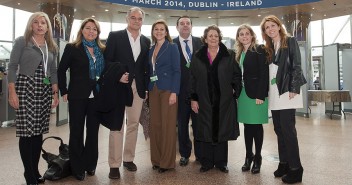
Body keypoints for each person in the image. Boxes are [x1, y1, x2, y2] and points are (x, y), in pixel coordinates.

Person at [7, 12, 59, 185]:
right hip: (25, 87)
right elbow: (12, 66)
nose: (39, 25)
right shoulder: (23, 41)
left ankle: (35, 170)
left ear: (47, 27)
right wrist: (12, 92)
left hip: (43, 90)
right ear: (31, 25)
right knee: (26, 133)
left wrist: (55, 92)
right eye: (35, 22)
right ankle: (28, 173)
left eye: (43, 22)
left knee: (37, 133)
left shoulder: (52, 46)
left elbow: (53, 71)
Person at [104, 7, 151, 179]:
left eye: (139, 19)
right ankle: (114, 164)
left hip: (138, 88)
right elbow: (107, 61)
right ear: (127, 19)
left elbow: (146, 67)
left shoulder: (146, 41)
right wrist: (118, 75)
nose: (136, 21)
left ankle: (128, 158)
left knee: (132, 124)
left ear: (142, 21)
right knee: (117, 125)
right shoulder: (115, 36)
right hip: (119, 86)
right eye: (133, 18)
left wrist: (145, 88)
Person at [260, 15, 307, 184]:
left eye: (273, 25)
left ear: (279, 26)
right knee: (279, 129)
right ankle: (284, 163)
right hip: (274, 93)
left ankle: (296, 168)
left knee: (288, 130)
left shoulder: (290, 41)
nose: (270, 29)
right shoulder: (270, 47)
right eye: (267, 27)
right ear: (264, 32)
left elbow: (297, 65)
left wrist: (294, 88)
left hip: (288, 91)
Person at [190, 25, 242, 173]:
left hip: (224, 101)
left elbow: (237, 75)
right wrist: (193, 98)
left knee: (222, 130)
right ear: (205, 39)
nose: (213, 38)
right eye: (210, 36)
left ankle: (221, 162)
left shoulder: (229, 55)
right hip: (203, 99)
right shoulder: (197, 55)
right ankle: (206, 162)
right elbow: (192, 78)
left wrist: (234, 91)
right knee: (205, 130)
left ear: (219, 38)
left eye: (216, 36)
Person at [58, 18, 105, 181]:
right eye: (88, 28)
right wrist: (63, 90)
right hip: (77, 95)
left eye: (94, 29)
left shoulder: (101, 49)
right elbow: (61, 69)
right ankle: (77, 167)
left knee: (93, 132)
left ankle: (90, 164)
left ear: (98, 33)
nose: (91, 31)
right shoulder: (73, 48)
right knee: (76, 131)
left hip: (96, 96)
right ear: (82, 30)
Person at [235, 24, 269, 174]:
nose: (244, 36)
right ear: (238, 37)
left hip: (256, 94)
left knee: (256, 127)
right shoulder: (239, 52)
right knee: (247, 127)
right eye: (241, 34)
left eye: (247, 33)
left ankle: (258, 158)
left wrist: (261, 95)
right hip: (243, 94)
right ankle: (248, 156)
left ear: (252, 35)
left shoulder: (259, 49)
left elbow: (264, 73)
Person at [148, 19, 181, 173]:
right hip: (153, 89)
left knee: (168, 126)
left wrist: (174, 92)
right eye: (156, 29)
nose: (159, 31)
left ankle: (167, 163)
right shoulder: (150, 48)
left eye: (162, 29)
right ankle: (156, 159)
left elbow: (177, 70)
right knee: (155, 125)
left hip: (168, 90)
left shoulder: (172, 47)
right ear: (153, 32)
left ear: (166, 32)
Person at [173, 16, 202, 166]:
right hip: (180, 92)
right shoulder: (171, 44)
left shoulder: (201, 43)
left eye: (188, 23)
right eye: (182, 24)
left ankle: (200, 154)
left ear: (191, 26)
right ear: (177, 27)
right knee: (182, 125)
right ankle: (184, 154)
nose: (185, 26)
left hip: (198, 94)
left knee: (198, 125)